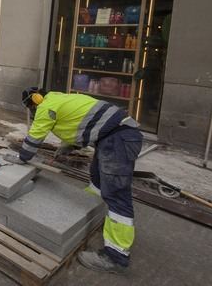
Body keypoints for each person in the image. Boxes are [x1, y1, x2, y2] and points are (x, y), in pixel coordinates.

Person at [16, 88, 142, 274]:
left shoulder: (45, 107)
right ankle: (91, 212)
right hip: (115, 135)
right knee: (98, 178)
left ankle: (116, 256)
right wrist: (67, 146)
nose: (33, 112)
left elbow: (35, 136)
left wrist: (22, 158)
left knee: (116, 194)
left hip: (117, 139)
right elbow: (81, 122)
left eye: (31, 108)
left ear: (35, 101)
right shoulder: (59, 98)